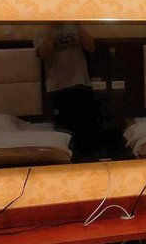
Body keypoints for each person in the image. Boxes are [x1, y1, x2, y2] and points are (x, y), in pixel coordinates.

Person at [36, 23, 100, 155]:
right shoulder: (41, 31)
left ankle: (87, 158)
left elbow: (91, 47)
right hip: (57, 86)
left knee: (87, 129)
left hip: (80, 83)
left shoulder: (76, 27)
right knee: (65, 131)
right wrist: (50, 27)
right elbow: (43, 53)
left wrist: (78, 23)